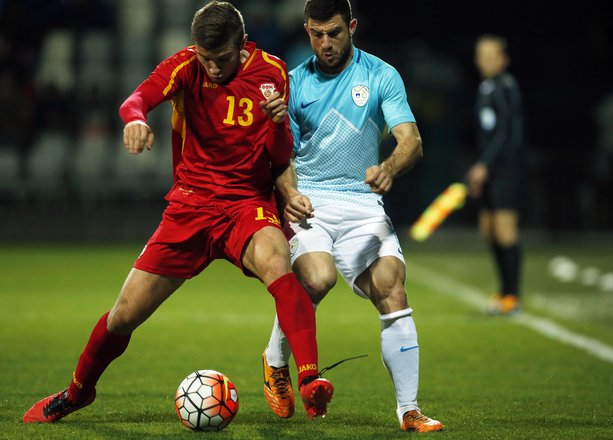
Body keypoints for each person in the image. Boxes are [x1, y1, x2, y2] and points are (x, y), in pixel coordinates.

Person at [23, 1, 334, 424]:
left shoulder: (272, 72)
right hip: (190, 206)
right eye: (206, 58)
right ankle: (77, 393)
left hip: (247, 203)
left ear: (241, 46)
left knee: (278, 262)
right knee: (123, 316)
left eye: (222, 59)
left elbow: (278, 156)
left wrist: (278, 124)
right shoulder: (185, 66)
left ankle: (309, 379)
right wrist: (135, 120)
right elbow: (137, 99)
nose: (212, 68)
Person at [260, 0, 443, 433]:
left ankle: (408, 410)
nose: (325, 43)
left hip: (363, 205)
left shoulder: (380, 75)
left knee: (392, 289)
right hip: (312, 202)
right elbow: (281, 152)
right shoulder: (291, 83)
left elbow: (410, 140)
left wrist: (389, 168)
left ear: (352, 27)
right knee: (317, 278)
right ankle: (275, 361)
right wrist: (288, 193)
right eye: (317, 33)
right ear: (307, 30)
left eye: (335, 33)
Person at [465, 34, 526, 315]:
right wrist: (481, 166)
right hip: (489, 170)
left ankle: (512, 296)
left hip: (506, 170)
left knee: (505, 231)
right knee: (488, 231)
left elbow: (506, 134)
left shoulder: (505, 87)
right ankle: (503, 292)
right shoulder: (487, 87)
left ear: (504, 60)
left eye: (492, 56)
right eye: (482, 55)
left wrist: (485, 165)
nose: (486, 61)